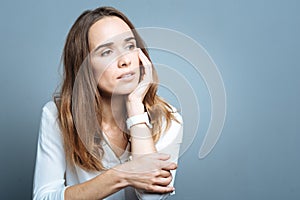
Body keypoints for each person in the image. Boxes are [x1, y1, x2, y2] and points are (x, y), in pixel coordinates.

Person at [33, 6, 183, 200]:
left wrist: (136, 108)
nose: (125, 61)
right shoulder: (56, 116)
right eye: (107, 52)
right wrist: (122, 175)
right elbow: (43, 197)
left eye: (129, 46)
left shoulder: (168, 119)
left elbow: (151, 198)